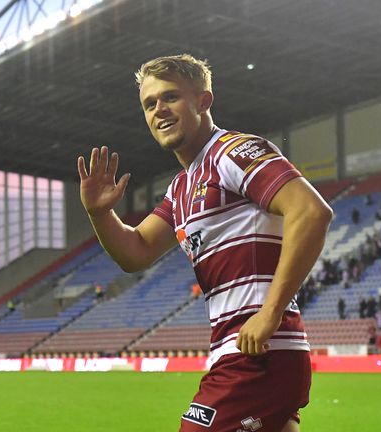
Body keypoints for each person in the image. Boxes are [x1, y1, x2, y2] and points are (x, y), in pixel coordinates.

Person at [76, 54, 333, 432]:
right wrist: (100, 214)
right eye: (149, 104)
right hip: (240, 350)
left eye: (170, 97)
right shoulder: (181, 188)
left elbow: (311, 212)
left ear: (203, 101)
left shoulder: (233, 152)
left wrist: (269, 312)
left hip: (260, 351)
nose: (158, 110)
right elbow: (135, 252)